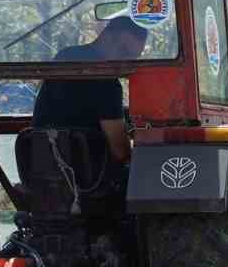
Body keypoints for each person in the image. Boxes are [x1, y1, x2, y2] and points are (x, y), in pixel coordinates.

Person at [31, 14, 148, 165]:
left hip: (40, 164)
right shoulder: (107, 83)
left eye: (132, 58)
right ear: (106, 36)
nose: (125, 62)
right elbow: (121, 152)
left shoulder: (66, 55)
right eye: (123, 51)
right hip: (85, 173)